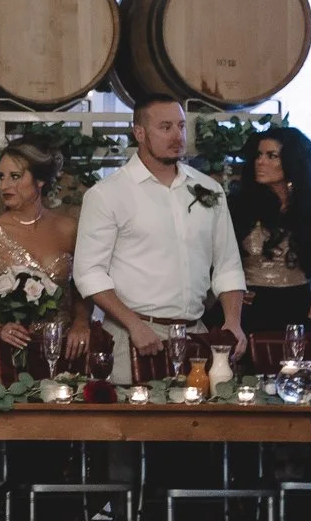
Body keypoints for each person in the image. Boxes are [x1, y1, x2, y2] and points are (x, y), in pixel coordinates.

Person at [72, 95, 246, 382]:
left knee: (202, 411)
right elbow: (89, 273)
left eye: (181, 126)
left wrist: (233, 322)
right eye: (165, 127)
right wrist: (134, 325)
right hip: (134, 333)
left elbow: (227, 265)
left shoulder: (208, 188)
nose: (177, 136)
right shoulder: (107, 194)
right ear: (139, 133)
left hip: (196, 334)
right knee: (132, 411)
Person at [0, 139, 89, 375]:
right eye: (1, 177)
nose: (5, 185)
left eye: (15, 176)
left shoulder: (68, 229)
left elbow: (83, 287)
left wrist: (82, 322)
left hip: (59, 350)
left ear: (40, 180)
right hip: (5, 354)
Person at [229, 125, 311, 334]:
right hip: (250, 309)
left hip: (301, 306)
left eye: (271, 156)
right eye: (259, 155)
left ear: (293, 162)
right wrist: (230, 290)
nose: (260, 162)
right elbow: (212, 257)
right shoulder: (239, 207)